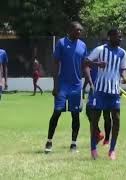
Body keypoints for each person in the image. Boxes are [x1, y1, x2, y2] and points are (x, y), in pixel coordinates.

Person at [44, 21, 87, 153]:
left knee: (75, 115)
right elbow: (55, 63)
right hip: (62, 85)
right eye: (77, 30)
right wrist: (55, 85)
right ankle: (49, 142)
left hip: (77, 86)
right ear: (70, 30)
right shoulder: (61, 43)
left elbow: (85, 64)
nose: (79, 32)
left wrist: (85, 85)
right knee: (57, 112)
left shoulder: (83, 45)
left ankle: (73, 144)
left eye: (81, 30)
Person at [84, 28, 126, 160]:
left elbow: (123, 68)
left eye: (121, 37)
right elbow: (85, 61)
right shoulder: (100, 49)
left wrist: (124, 77)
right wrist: (97, 64)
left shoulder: (122, 53)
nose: (120, 39)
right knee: (95, 119)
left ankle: (112, 150)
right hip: (100, 91)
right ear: (109, 37)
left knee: (117, 120)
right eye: (118, 36)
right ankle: (93, 149)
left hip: (114, 91)